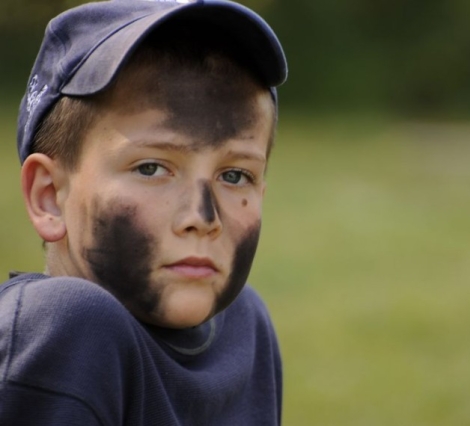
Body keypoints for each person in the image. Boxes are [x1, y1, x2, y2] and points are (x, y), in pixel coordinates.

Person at [0, 0, 287, 424]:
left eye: (234, 175)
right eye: (151, 168)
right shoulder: (69, 326)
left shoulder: (244, 328)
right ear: (49, 196)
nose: (202, 218)